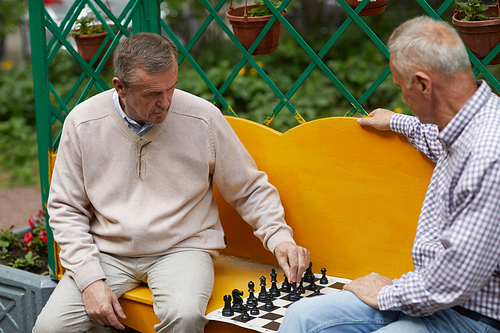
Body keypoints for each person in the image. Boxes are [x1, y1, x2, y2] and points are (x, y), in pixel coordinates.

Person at [33, 32, 310, 333]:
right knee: (50, 327)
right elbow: (65, 209)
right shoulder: (83, 123)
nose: (165, 102)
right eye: (152, 94)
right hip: (107, 253)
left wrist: (280, 237)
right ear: (120, 87)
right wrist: (89, 279)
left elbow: (248, 188)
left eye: (172, 88)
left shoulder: (203, 118)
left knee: (185, 316)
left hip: (182, 249)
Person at [278, 16, 500, 333]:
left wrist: (385, 293)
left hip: (474, 314)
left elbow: (453, 280)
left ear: (423, 84)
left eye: (401, 89)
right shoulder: (467, 121)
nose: (402, 100)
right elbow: (441, 141)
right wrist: (396, 121)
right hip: (429, 295)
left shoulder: (490, 156)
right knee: (302, 318)